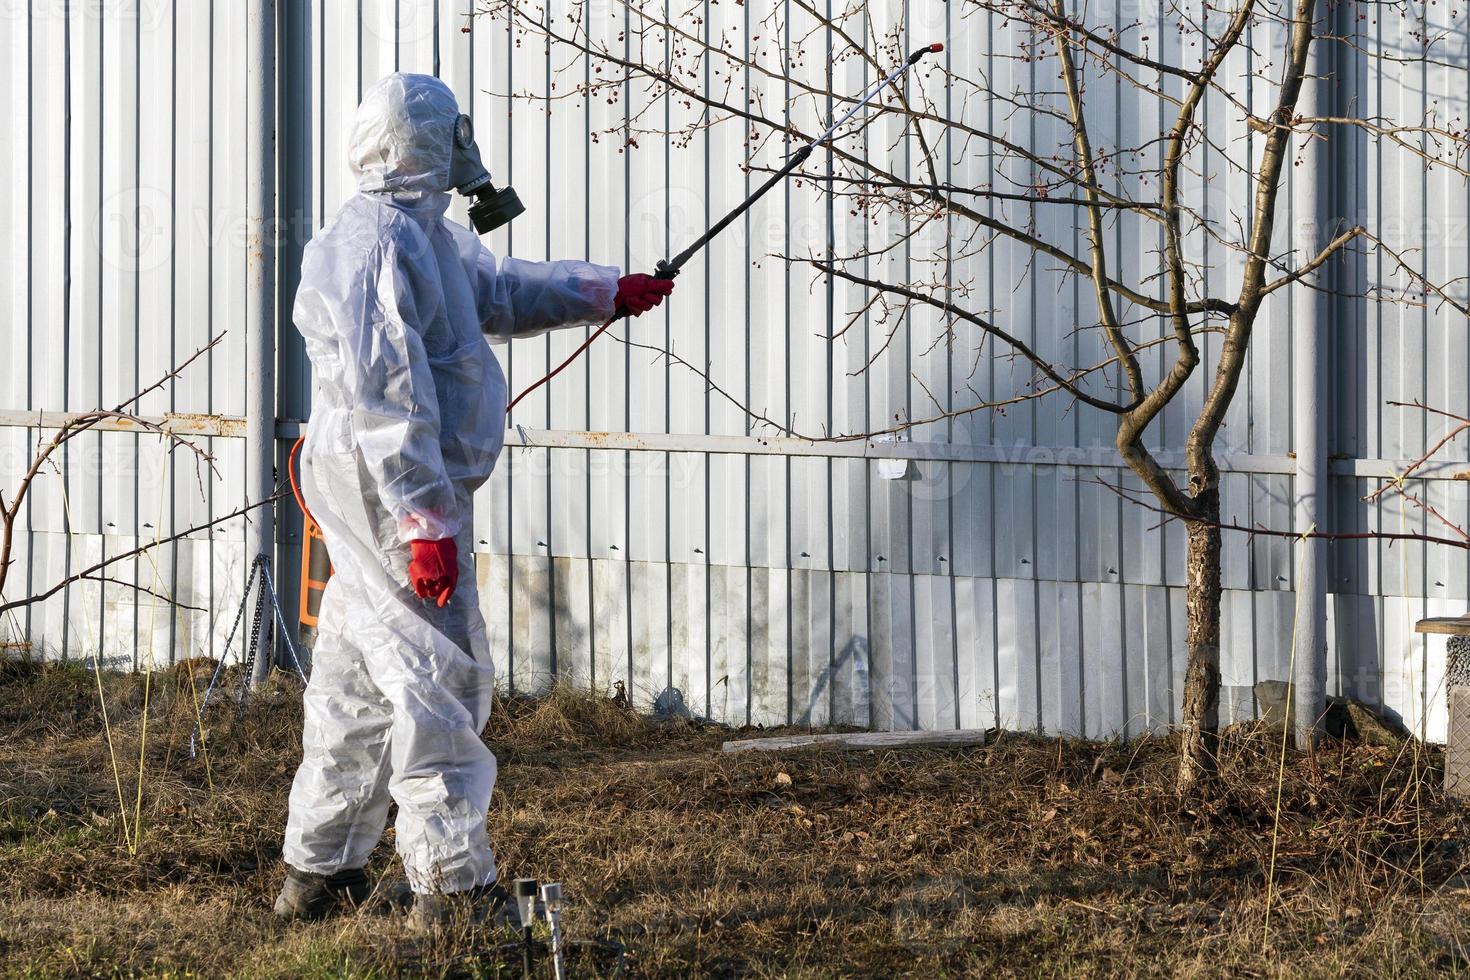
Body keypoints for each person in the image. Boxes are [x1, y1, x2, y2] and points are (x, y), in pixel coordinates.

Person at [273, 72, 672, 932]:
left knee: (357, 678)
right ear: (422, 141)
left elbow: (500, 295)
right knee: (438, 678)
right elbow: (389, 400)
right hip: (391, 492)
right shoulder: (375, 244)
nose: (466, 149)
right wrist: (423, 522)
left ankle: (318, 871)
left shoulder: (424, 235)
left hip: (391, 489)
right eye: (452, 133)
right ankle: (452, 891)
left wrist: (606, 289)